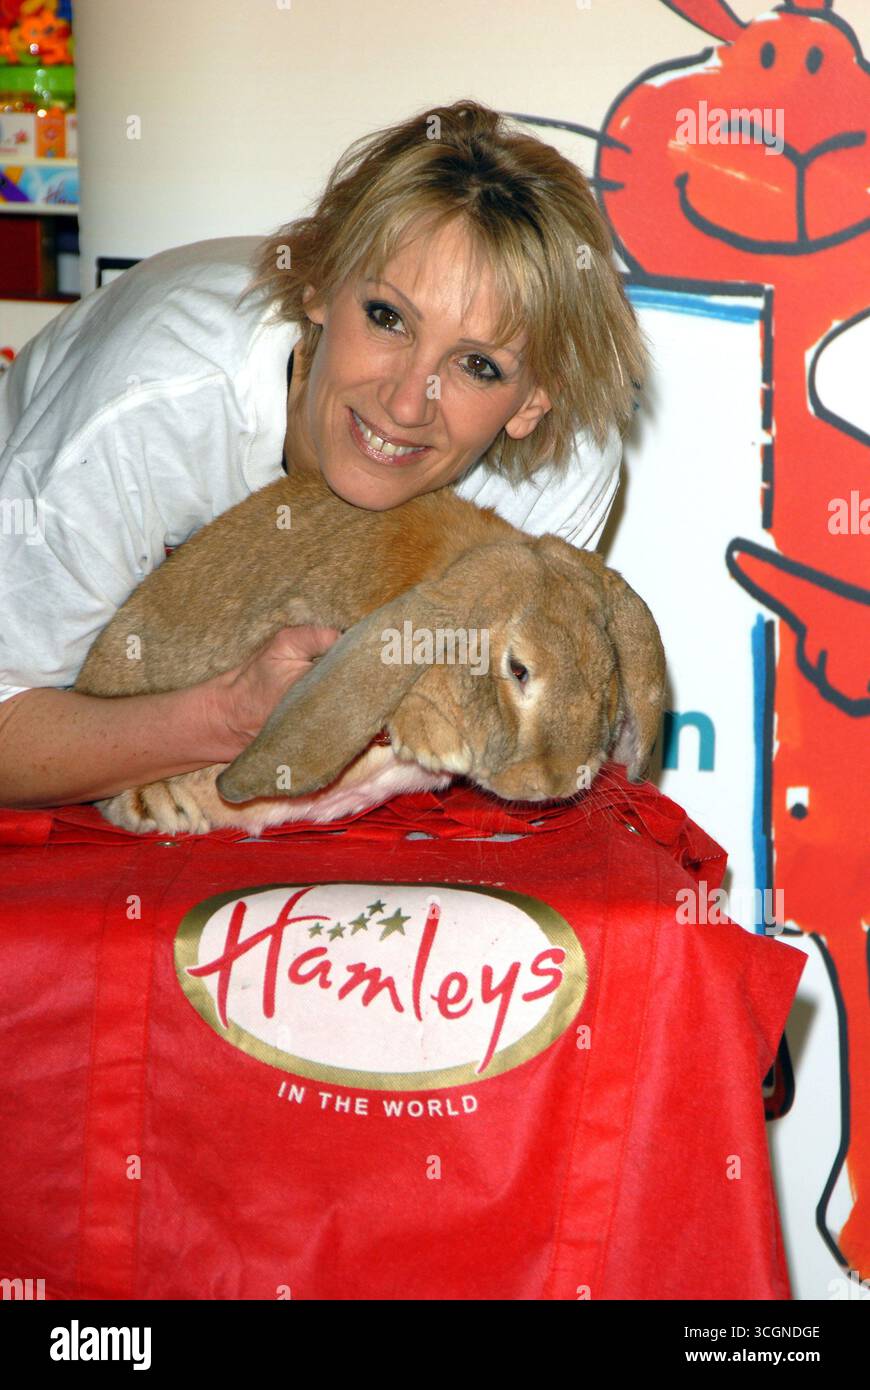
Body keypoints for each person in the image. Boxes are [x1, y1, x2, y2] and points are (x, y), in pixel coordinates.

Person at [0, 98, 646, 811]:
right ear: (318, 283)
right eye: (386, 317)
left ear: (533, 403)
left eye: (479, 367)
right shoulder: (148, 405)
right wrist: (227, 716)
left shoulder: (560, 474)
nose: (406, 404)